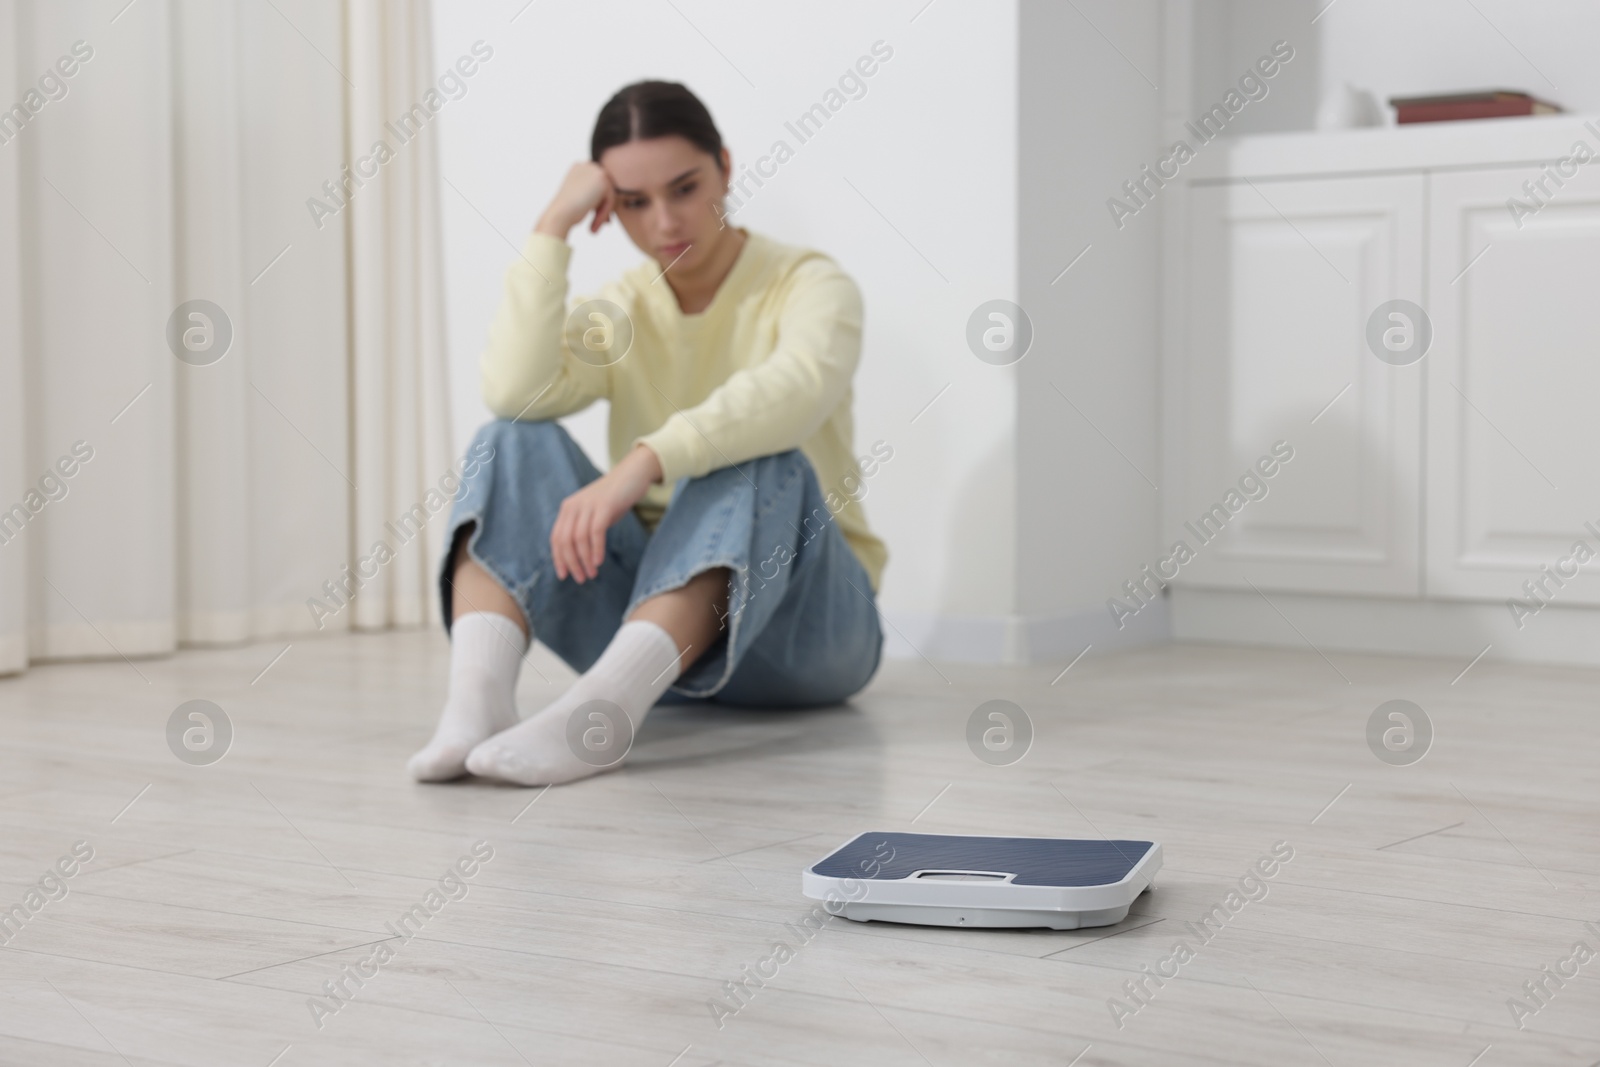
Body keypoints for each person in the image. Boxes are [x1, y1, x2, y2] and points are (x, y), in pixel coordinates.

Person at [408, 80, 890, 787]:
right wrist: (550, 228)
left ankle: (595, 719)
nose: (665, 220)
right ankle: (476, 703)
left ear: (725, 165)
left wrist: (645, 460)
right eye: (634, 202)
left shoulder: (812, 284)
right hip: (659, 637)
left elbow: (791, 394)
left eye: (686, 187)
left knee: (763, 458)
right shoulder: (620, 310)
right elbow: (514, 390)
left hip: (806, 628)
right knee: (510, 437)